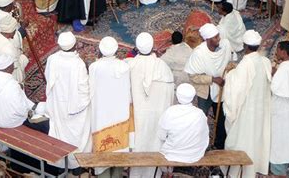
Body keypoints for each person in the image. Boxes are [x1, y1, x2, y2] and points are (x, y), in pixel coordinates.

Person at [223, 30, 271, 178]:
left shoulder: (245, 64)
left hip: (247, 110)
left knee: (242, 138)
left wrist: (229, 74)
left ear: (245, 46)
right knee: (256, 136)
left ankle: (239, 172)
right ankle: (255, 166)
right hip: (260, 108)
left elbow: (236, 89)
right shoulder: (265, 61)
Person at [127, 32, 174, 178]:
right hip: (157, 117)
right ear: (153, 46)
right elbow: (169, 96)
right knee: (155, 144)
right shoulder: (163, 67)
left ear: (137, 47)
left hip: (137, 118)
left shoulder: (129, 65)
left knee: (138, 145)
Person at [45, 32, 91, 169]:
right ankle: (76, 164)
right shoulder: (78, 64)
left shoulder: (52, 59)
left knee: (59, 132)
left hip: (58, 103)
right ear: (75, 45)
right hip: (74, 105)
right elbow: (84, 90)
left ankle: (59, 164)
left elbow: (48, 78)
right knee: (78, 131)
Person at [184, 23, 234, 149]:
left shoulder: (225, 45)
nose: (218, 39)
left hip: (222, 89)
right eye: (215, 38)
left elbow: (231, 61)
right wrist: (212, 79)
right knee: (201, 118)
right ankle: (201, 144)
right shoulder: (199, 53)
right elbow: (193, 77)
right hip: (205, 91)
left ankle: (219, 144)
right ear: (207, 40)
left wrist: (228, 71)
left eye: (218, 36)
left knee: (222, 118)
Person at [89, 36, 131, 177]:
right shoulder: (124, 67)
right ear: (116, 51)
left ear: (100, 51)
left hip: (102, 116)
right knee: (119, 153)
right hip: (120, 115)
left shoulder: (94, 67)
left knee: (104, 155)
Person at [269, 41, 289, 176]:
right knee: (287, 136)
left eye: (277, 49)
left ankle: (278, 170)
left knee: (279, 139)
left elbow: (274, 87)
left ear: (283, 52)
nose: (276, 52)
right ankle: (284, 162)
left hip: (281, 110)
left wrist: (272, 75)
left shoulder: (284, 69)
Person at [0, 53, 34, 128]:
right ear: (8, 68)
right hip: (7, 122)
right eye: (12, 65)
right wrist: (29, 111)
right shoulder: (12, 84)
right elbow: (20, 110)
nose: (14, 67)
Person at [158, 83, 209, 164]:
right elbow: (205, 136)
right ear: (193, 97)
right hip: (195, 155)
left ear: (177, 96)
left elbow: (161, 136)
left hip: (171, 154)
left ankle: (166, 172)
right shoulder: (200, 114)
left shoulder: (170, 111)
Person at [0, 14, 29, 85]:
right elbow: (15, 69)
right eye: (14, 31)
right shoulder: (8, 50)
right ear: (10, 32)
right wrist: (24, 57)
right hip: (8, 80)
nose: (15, 33)